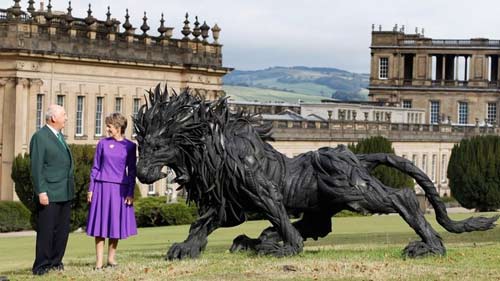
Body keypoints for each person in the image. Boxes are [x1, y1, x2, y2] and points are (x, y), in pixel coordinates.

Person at [86, 112, 138, 269]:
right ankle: (99, 262)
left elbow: (132, 171)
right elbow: (95, 168)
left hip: (119, 190)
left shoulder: (130, 146)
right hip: (101, 188)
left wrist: (130, 192)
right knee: (100, 226)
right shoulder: (102, 144)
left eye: (109, 126)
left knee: (115, 225)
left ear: (118, 127)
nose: (107, 129)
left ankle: (111, 259)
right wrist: (91, 189)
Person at [30, 104, 75, 276]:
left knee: (62, 230)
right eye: (64, 114)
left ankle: (56, 262)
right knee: (47, 230)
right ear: (54, 118)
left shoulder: (59, 136)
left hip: (64, 191)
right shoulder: (40, 137)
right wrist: (41, 191)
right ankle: (41, 266)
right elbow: (36, 167)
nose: (67, 118)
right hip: (49, 191)